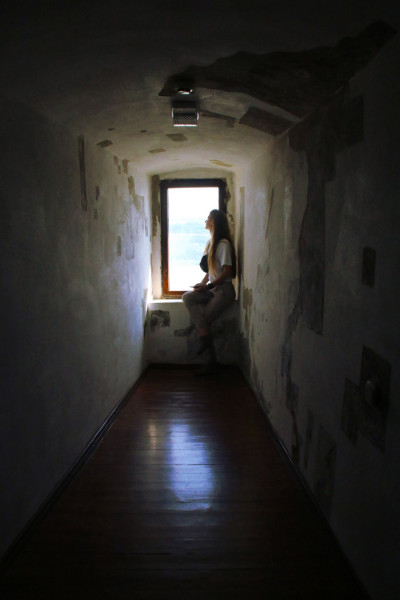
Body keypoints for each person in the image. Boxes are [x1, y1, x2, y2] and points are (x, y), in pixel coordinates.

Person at [182, 209, 236, 356]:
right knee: (187, 297)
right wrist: (202, 284)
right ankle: (205, 336)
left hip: (224, 291)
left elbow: (227, 272)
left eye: (208, 218)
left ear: (214, 222)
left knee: (203, 321)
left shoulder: (223, 244)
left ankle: (209, 353)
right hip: (214, 289)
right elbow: (211, 271)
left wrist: (208, 286)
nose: (205, 221)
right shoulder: (211, 243)